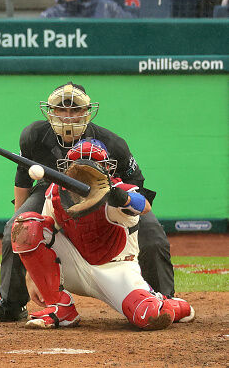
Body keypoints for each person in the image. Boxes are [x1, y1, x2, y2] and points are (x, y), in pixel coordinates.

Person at [0, 82, 175, 322]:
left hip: (109, 191)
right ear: (50, 111)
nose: (68, 117)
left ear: (87, 112)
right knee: (16, 229)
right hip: (50, 190)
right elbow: (23, 181)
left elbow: (138, 188)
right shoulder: (33, 136)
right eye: (61, 110)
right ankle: (11, 303)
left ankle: (166, 300)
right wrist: (18, 224)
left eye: (75, 110)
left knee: (153, 236)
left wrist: (129, 209)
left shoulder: (113, 143)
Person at [11, 139, 194, 330]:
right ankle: (60, 308)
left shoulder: (118, 192)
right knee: (27, 225)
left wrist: (121, 197)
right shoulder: (56, 193)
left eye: (93, 163)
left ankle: (174, 305)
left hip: (116, 270)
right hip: (75, 265)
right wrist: (32, 276)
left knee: (151, 316)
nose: (84, 168)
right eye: (78, 161)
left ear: (107, 168)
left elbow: (144, 206)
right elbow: (42, 233)